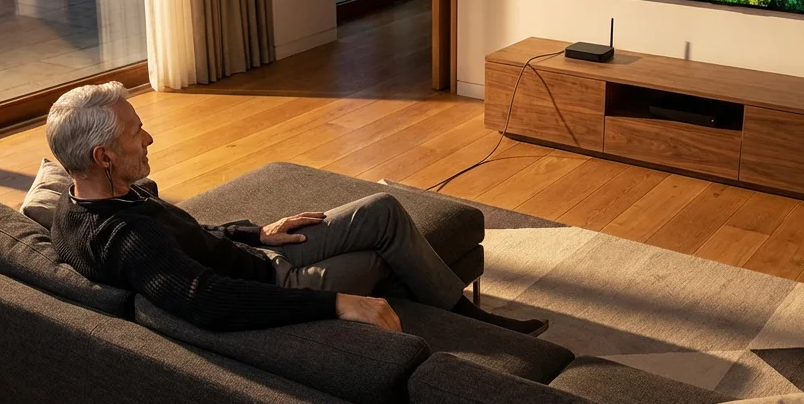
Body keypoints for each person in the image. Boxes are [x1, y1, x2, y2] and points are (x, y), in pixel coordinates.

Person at [46, 81, 547, 336]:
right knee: (385, 253)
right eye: (137, 132)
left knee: (384, 210)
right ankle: (467, 329)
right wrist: (337, 303)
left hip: (265, 257)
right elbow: (209, 301)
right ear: (102, 156)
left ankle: (460, 310)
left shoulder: (85, 201)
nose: (149, 136)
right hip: (276, 285)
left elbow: (190, 232)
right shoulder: (129, 240)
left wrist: (255, 233)